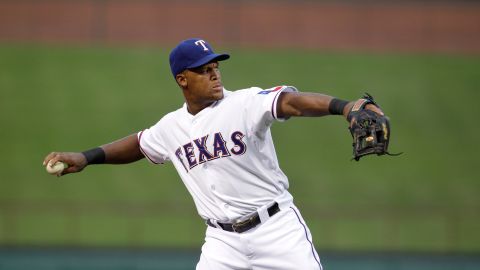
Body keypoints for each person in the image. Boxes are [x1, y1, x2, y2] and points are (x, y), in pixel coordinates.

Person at [43, 38, 383, 270]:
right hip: (222, 242)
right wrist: (87, 157)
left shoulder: (245, 102)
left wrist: (345, 106)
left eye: (215, 66)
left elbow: (291, 102)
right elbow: (139, 143)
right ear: (183, 79)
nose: (214, 73)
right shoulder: (171, 126)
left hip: (277, 230)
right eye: (204, 69)